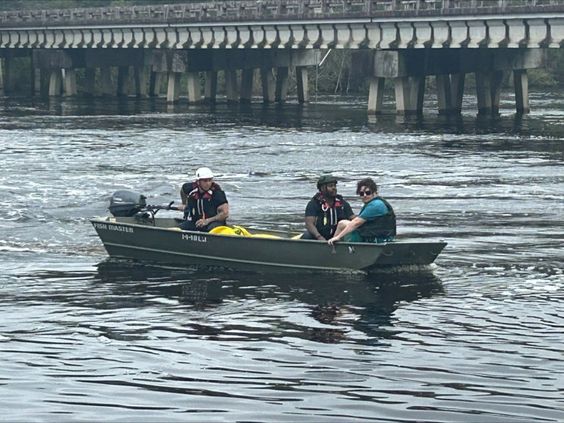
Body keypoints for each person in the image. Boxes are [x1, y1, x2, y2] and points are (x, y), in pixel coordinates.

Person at [327, 177, 396, 246]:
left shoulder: (375, 205)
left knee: (342, 224)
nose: (364, 195)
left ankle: (332, 246)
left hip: (377, 239)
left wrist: (338, 237)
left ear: (375, 193)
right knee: (345, 225)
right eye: (362, 194)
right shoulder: (378, 202)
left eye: (368, 193)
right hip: (383, 237)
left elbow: (356, 223)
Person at [303, 175, 355, 240]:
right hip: (319, 236)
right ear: (322, 188)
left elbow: (353, 219)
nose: (334, 188)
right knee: (306, 236)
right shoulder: (314, 203)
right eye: (330, 186)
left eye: (335, 186)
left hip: (338, 236)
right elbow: (309, 224)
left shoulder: (342, 203)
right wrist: (319, 237)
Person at [178, 167, 229, 232]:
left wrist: (207, 221)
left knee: (212, 230)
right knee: (180, 229)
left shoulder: (217, 193)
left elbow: (225, 213)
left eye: (210, 180)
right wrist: (184, 204)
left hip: (213, 222)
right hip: (196, 222)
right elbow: (183, 190)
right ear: (198, 182)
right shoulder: (190, 188)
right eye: (205, 181)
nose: (208, 183)